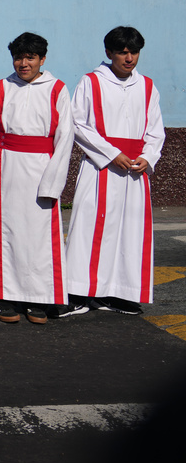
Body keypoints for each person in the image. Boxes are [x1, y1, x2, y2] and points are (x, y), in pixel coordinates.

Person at [0, 33, 74, 324]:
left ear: (43, 59)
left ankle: (37, 299)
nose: (23, 63)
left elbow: (65, 139)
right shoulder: (2, 88)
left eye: (30, 57)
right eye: (18, 57)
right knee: (5, 236)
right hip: (6, 170)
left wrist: (53, 184)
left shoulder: (57, 90)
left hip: (43, 172)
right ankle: (2, 296)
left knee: (39, 239)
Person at [65, 26, 165, 315]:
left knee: (129, 231)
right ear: (108, 53)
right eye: (122, 52)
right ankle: (79, 292)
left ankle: (118, 293)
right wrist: (111, 154)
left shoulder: (146, 86)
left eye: (133, 52)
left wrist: (148, 156)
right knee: (89, 228)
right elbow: (79, 124)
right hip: (101, 169)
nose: (129, 58)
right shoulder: (92, 82)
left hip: (134, 172)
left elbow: (156, 130)